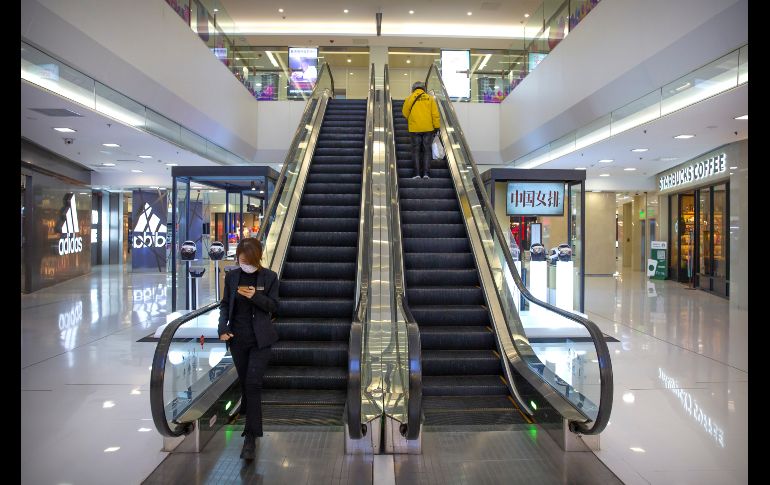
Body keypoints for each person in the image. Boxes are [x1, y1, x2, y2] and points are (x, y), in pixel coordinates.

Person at [218, 237, 280, 461]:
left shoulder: (269, 277)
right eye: (240, 260)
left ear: (257, 257)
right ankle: (248, 412)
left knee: (253, 384)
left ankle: (250, 438)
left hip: (261, 340)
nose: (243, 264)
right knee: (246, 384)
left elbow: (274, 307)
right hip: (237, 339)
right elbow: (225, 304)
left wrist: (255, 296)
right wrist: (222, 328)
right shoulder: (232, 276)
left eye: (247, 260)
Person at [402, 81, 440, 179]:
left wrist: (412, 119)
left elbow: (405, 113)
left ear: (413, 89)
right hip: (428, 128)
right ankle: (426, 174)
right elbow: (435, 114)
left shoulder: (409, 98)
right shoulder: (430, 98)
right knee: (427, 150)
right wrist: (436, 126)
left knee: (416, 150)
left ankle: (417, 174)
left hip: (414, 128)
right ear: (424, 89)